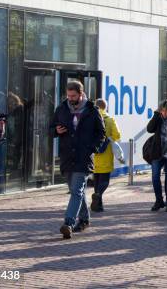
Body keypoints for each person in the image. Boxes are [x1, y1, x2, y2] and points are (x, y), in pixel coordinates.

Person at [50, 81, 105, 239]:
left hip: (83, 157)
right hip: (67, 157)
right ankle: (85, 219)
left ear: (81, 94)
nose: (70, 98)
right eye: (68, 95)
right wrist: (56, 130)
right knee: (78, 192)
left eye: (73, 96)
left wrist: (91, 148)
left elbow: (101, 133)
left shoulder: (91, 110)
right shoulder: (61, 109)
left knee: (76, 191)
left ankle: (68, 222)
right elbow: (50, 128)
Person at [91, 99, 124, 212]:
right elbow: (117, 135)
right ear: (105, 107)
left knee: (96, 178)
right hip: (106, 153)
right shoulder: (109, 120)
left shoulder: (91, 118)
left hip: (94, 153)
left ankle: (98, 206)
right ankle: (98, 195)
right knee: (105, 180)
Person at [147, 99, 167, 212]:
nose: (165, 113)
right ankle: (159, 201)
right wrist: (156, 115)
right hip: (157, 153)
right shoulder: (158, 118)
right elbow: (149, 129)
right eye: (163, 111)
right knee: (155, 177)